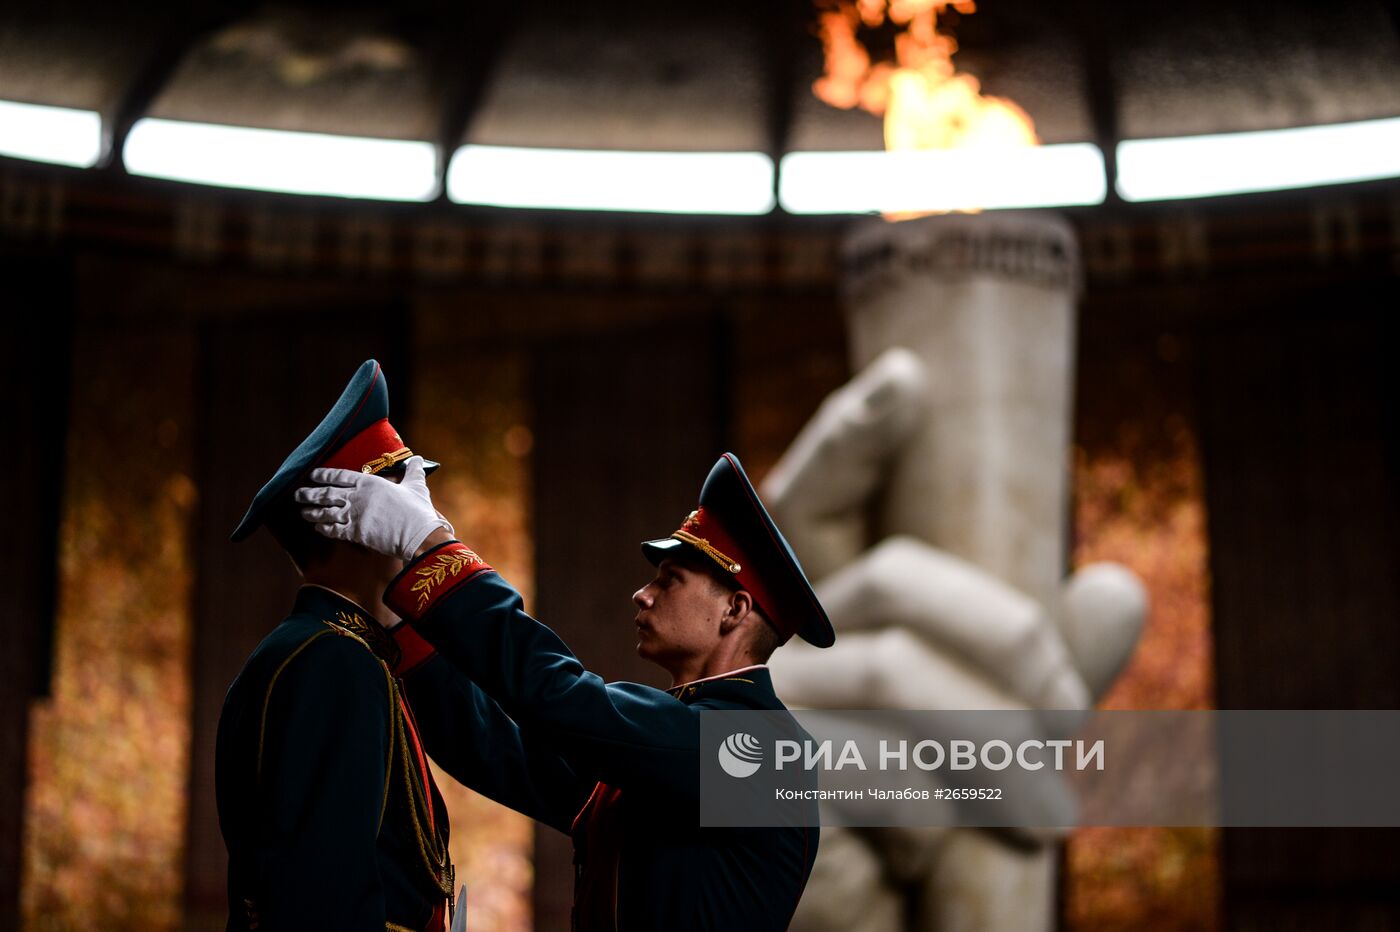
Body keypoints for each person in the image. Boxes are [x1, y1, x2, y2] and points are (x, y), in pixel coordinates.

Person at [296, 451, 836, 930]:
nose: (642, 594)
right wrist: (403, 610)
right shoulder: (674, 754)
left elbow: (560, 694)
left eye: (669, 579)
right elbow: (496, 750)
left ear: (734, 610)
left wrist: (433, 546)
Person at [216, 359, 463, 931]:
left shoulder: (319, 651)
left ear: (724, 606)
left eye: (671, 577)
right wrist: (440, 553)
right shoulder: (336, 662)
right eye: (401, 500)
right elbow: (326, 888)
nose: (423, 512)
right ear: (351, 519)